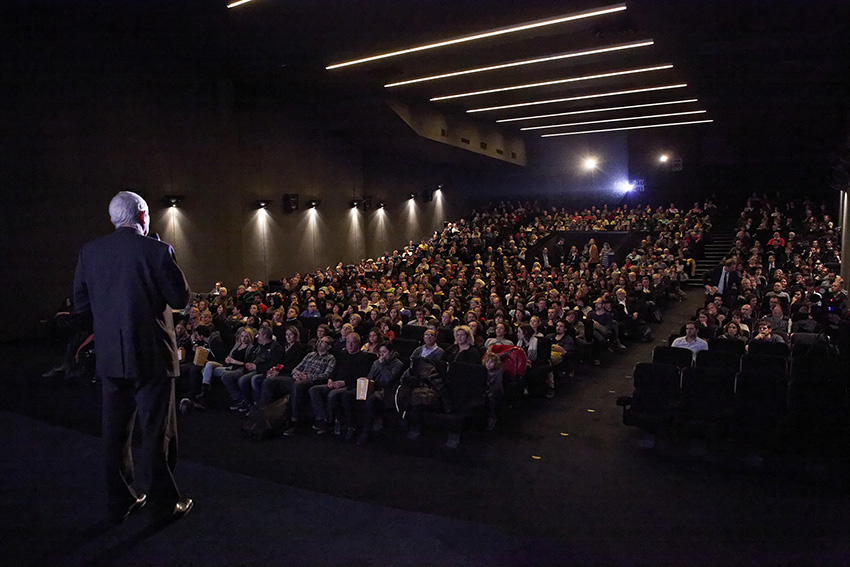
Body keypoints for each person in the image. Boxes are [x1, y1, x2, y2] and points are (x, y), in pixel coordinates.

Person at [73, 191, 192, 523]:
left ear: (114, 219)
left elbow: (81, 304)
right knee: (157, 432)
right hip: (153, 355)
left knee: (115, 433)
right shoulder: (157, 250)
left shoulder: (90, 252)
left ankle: (121, 500)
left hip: (111, 356)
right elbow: (179, 297)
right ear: (143, 216)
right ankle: (163, 503)